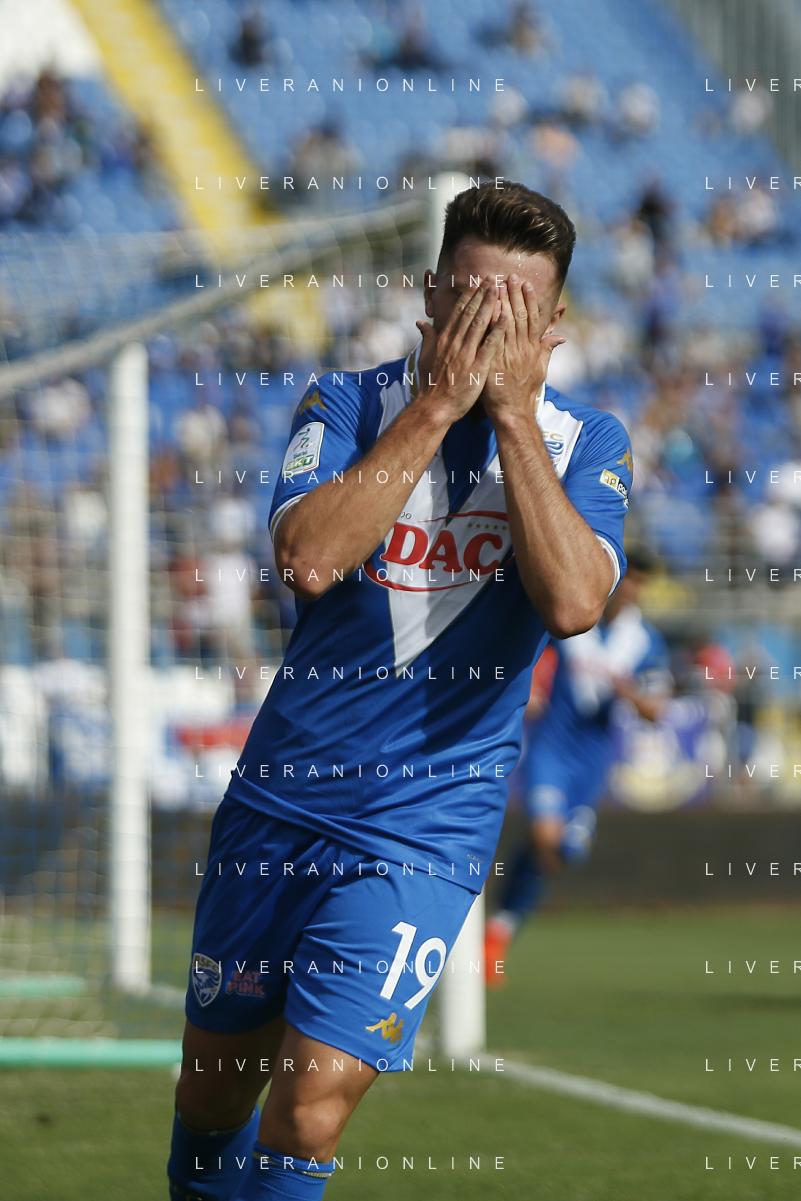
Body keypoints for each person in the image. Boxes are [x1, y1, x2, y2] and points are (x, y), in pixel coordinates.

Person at [167, 181, 633, 1200]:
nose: (489, 324)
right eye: (470, 297)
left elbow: (572, 602)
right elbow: (308, 558)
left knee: (310, 1107)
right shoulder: (345, 405)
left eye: (514, 308)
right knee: (211, 1101)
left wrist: (509, 416)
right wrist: (436, 409)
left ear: (554, 322)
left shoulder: (586, 444)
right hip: (282, 800)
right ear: (429, 293)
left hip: (424, 826)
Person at [485, 546, 669, 984]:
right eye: (631, 578)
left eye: (642, 582)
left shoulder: (645, 642)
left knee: (562, 851)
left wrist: (632, 696)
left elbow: (657, 710)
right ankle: (493, 939)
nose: (633, 589)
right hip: (552, 748)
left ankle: (500, 927)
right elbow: (526, 648)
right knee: (546, 837)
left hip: (593, 759)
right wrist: (531, 687)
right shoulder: (573, 616)